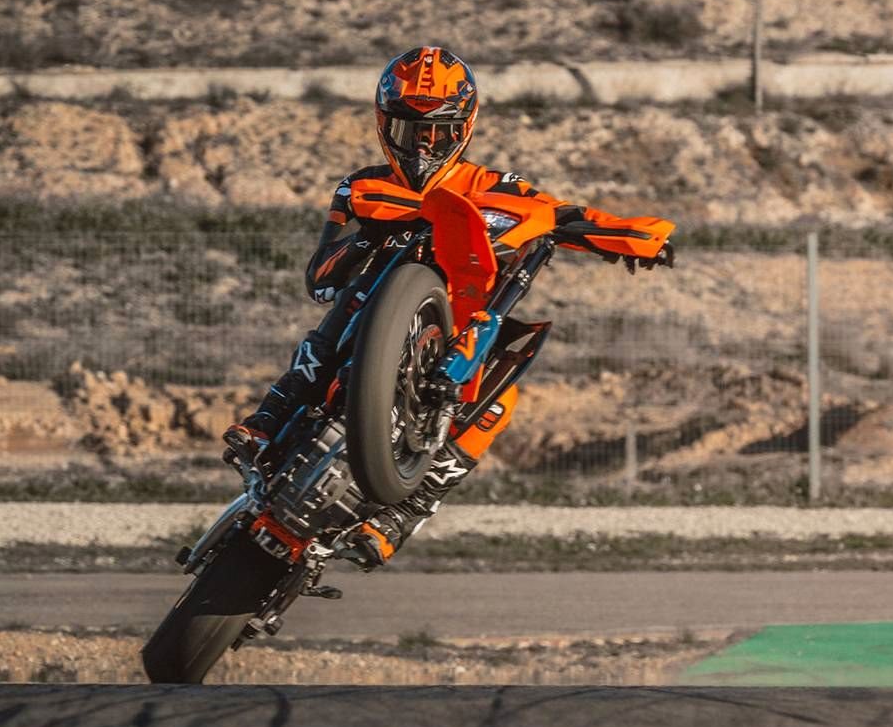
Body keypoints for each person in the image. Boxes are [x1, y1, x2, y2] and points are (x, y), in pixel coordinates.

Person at [223, 45, 673, 570]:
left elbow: (560, 213)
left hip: (461, 318)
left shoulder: (498, 186)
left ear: (464, 128)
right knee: (349, 305)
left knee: (501, 400)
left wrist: (632, 236)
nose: (423, 145)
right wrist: (374, 233)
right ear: (385, 125)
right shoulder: (360, 186)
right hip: (372, 314)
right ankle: (268, 418)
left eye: (438, 132)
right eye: (410, 130)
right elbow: (321, 279)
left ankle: (402, 514)